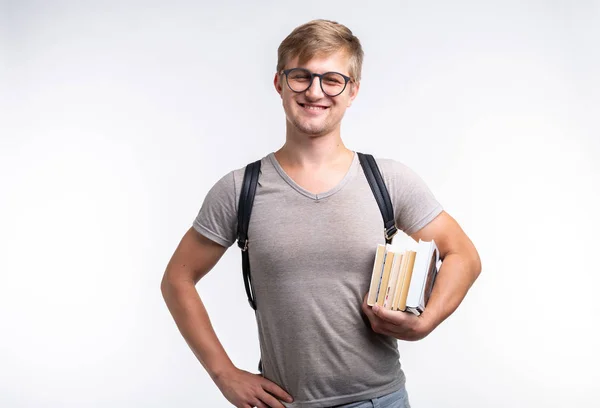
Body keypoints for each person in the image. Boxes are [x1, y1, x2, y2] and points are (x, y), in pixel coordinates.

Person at [161, 19, 481, 408]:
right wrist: (224, 374)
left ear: (352, 92)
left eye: (332, 80)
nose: (315, 92)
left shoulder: (388, 180)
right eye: (302, 77)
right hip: (284, 403)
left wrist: (425, 322)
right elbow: (177, 280)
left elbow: (464, 255)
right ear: (279, 83)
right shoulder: (238, 189)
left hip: (379, 401)